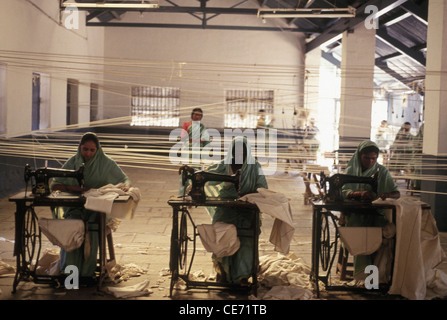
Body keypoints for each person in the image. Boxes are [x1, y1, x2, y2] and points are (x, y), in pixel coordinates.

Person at [179, 136, 268, 286]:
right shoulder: (224, 165)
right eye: (236, 150)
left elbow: (263, 188)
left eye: (243, 151)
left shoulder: (255, 167)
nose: (240, 154)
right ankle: (223, 274)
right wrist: (190, 170)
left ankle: (242, 277)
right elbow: (204, 174)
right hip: (226, 209)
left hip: (247, 210)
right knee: (222, 234)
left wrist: (251, 196)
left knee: (246, 241)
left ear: (248, 151)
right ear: (232, 151)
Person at [51, 132, 131, 280]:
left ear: (98, 150)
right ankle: (70, 275)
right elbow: (56, 184)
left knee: (92, 228)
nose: (88, 153)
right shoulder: (73, 162)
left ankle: (87, 274)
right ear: (80, 148)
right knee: (72, 228)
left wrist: (125, 186)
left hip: (97, 208)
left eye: (92, 150)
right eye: (85, 149)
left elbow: (124, 179)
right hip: (76, 207)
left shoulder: (106, 163)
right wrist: (80, 190)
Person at [341, 140, 400, 281]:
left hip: (376, 214)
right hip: (355, 215)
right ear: (359, 156)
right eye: (366, 158)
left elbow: (396, 193)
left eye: (374, 158)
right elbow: (343, 191)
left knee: (387, 233)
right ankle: (364, 278)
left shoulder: (381, 171)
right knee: (361, 235)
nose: (370, 162)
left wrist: (387, 195)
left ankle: (378, 277)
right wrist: (357, 194)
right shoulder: (351, 171)